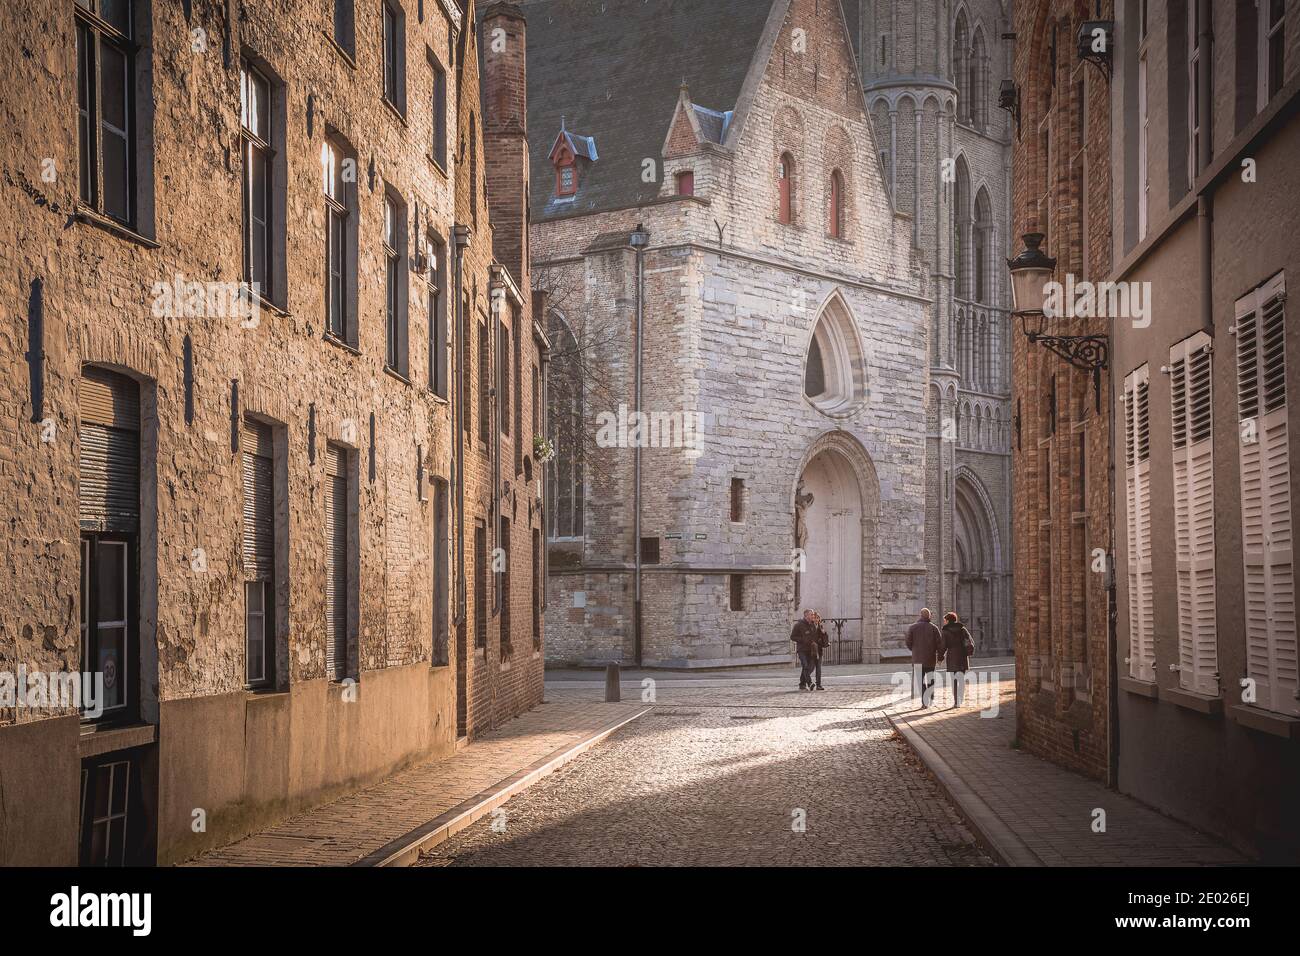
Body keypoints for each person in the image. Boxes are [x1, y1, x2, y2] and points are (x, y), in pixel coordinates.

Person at [905, 608, 944, 708]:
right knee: (931, 680)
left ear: (920, 615)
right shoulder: (934, 628)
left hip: (917, 659)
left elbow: (908, 642)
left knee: (920, 682)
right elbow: (940, 645)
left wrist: (915, 650)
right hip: (930, 659)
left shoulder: (913, 627)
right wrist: (940, 657)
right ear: (929, 616)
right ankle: (930, 697)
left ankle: (924, 702)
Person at [941, 612, 975, 708]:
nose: (944, 622)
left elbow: (943, 646)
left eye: (945, 620)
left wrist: (940, 657)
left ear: (948, 620)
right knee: (961, 679)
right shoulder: (962, 629)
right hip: (962, 656)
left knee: (954, 680)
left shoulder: (945, 631)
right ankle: (960, 700)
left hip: (952, 656)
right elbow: (971, 641)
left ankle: (956, 702)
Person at [790, 609, 827, 691]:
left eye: (813, 615)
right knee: (805, 665)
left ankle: (802, 684)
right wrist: (803, 639)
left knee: (808, 668)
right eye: (811, 615)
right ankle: (809, 683)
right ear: (806, 615)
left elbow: (815, 637)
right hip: (802, 650)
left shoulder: (813, 625)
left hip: (810, 650)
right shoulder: (798, 625)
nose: (813, 616)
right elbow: (792, 637)